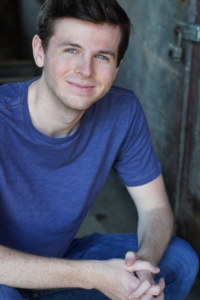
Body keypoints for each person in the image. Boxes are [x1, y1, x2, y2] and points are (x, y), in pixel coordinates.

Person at [0, 0, 199, 299]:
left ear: (117, 67)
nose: (86, 71)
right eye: (71, 50)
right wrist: (92, 276)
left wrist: (144, 266)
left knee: (178, 259)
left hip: (61, 260)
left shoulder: (123, 110)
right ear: (40, 51)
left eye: (102, 56)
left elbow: (155, 209)